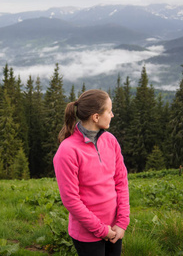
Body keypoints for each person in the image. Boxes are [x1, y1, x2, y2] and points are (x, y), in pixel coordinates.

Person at [53, 89, 130, 256]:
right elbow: (71, 201)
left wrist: (122, 222)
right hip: (87, 235)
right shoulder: (67, 151)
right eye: (109, 111)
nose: (112, 115)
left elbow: (121, 182)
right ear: (96, 117)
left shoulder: (111, 141)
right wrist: (101, 230)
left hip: (115, 229)